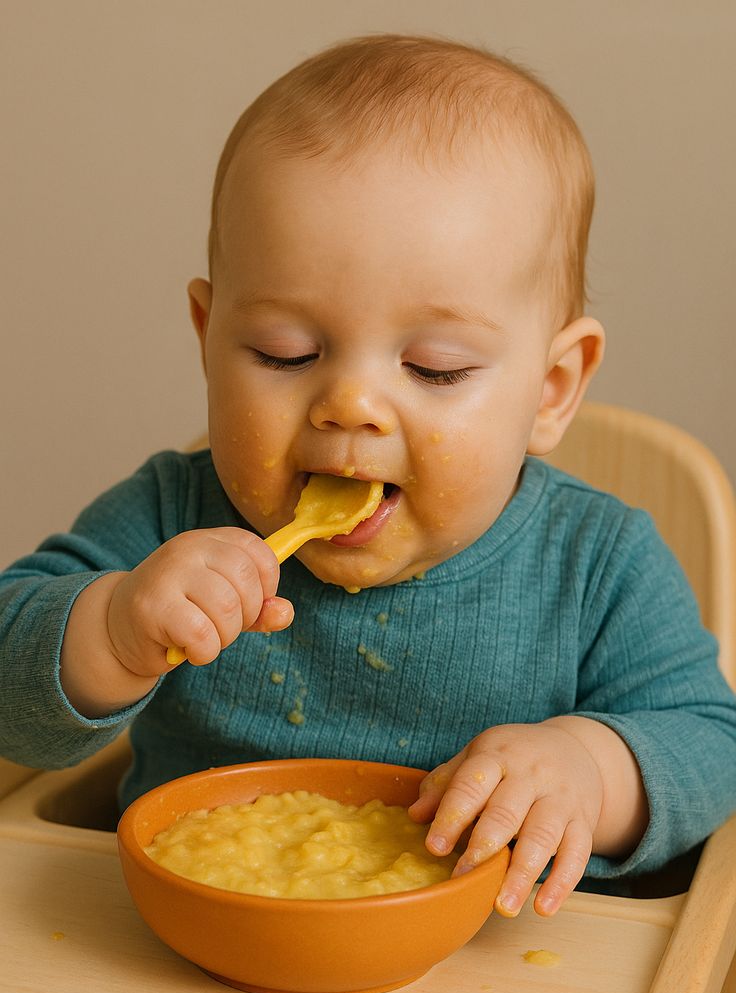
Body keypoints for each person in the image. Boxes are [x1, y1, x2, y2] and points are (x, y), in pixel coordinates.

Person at [1, 34, 735, 919]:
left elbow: (709, 742)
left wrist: (592, 767)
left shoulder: (596, 563)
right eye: (286, 353)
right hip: (197, 960)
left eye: (434, 368)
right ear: (207, 335)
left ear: (551, 388)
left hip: (485, 987)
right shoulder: (172, 517)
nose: (349, 404)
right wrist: (111, 631)